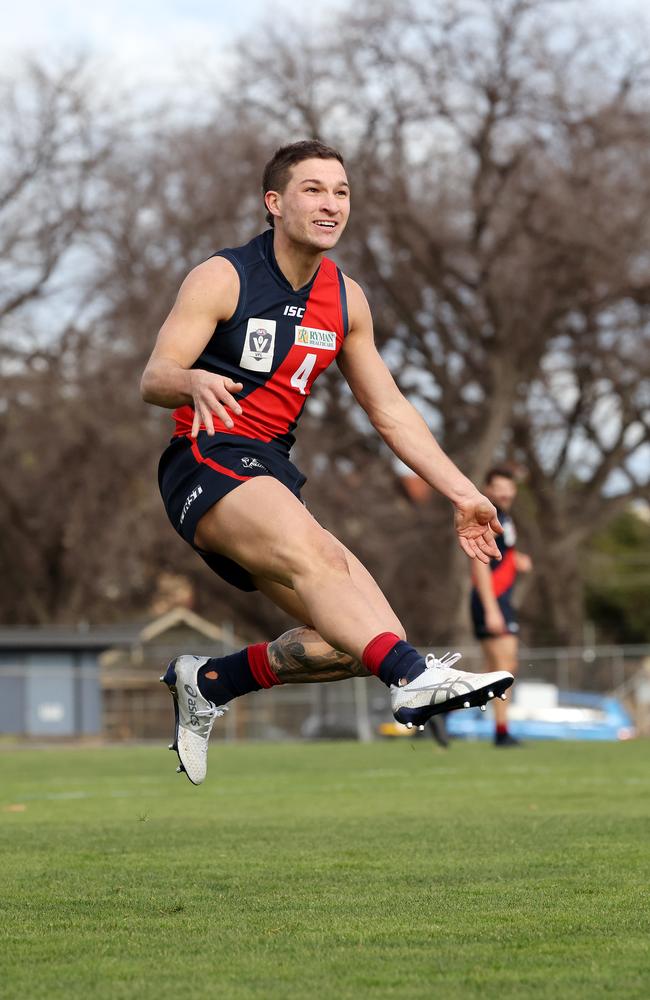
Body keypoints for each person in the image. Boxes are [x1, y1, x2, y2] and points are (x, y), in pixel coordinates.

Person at [140, 139, 513, 784]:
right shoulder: (224, 275)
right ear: (275, 203)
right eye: (313, 189)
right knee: (339, 584)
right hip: (206, 458)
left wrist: (462, 493)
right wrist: (191, 382)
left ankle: (210, 682)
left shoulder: (346, 300)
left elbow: (391, 410)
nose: (331, 203)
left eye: (341, 192)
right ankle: (413, 682)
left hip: (272, 470)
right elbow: (155, 375)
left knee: (359, 642)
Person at [470, 467, 533, 747]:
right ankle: (501, 732)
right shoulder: (487, 517)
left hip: (501, 600)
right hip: (491, 601)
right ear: (488, 488)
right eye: (500, 487)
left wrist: (517, 559)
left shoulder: (505, 518)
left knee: (501, 668)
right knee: (503, 669)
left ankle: (442, 709)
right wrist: (491, 608)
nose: (506, 492)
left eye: (510, 487)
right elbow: (479, 563)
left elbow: (502, 554)